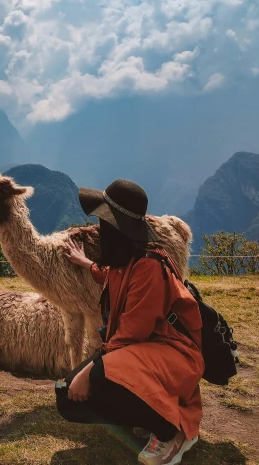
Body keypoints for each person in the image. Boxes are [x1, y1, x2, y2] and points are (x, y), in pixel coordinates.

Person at [56, 179, 204, 465]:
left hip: (174, 356)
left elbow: (130, 336)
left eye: (105, 223)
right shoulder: (125, 261)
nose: (100, 229)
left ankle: (172, 430)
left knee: (94, 378)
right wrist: (86, 263)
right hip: (144, 354)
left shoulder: (149, 267)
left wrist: (88, 371)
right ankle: (150, 414)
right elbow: (110, 275)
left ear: (117, 229)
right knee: (66, 394)